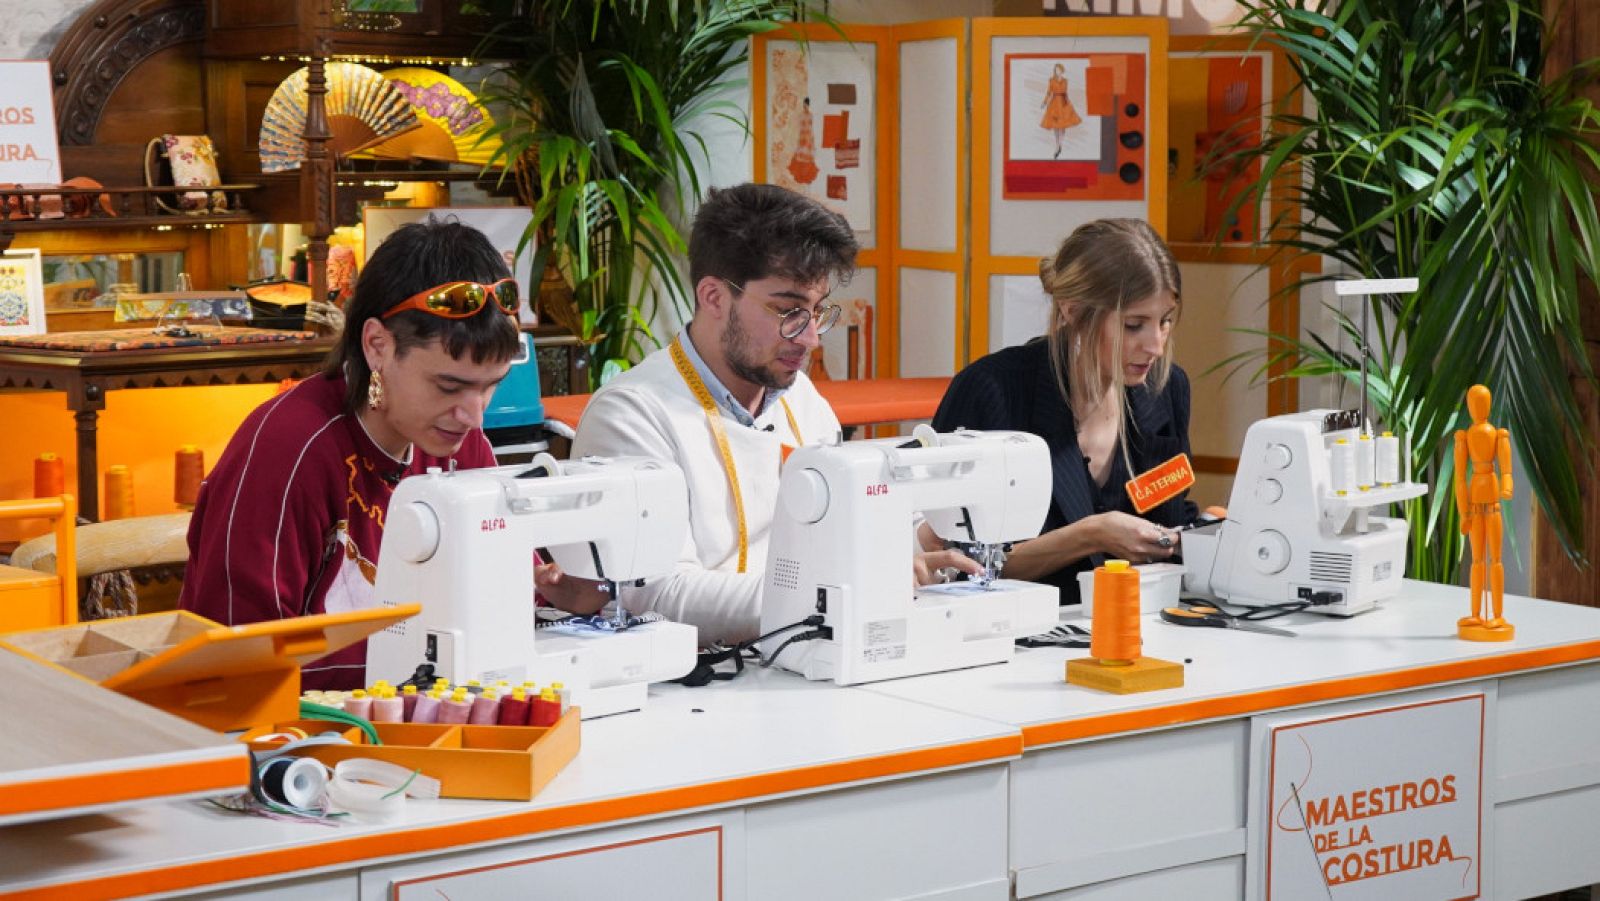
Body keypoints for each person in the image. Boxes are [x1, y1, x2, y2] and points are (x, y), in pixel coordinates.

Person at [547, 183, 978, 644]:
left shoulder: (801, 400)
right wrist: (838, 592)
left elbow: (849, 527)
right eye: (789, 311)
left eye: (817, 311)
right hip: (696, 671)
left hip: (795, 647)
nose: (810, 338)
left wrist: (925, 538)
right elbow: (654, 594)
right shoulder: (632, 414)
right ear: (714, 297)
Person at [179, 220, 523, 689]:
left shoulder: (460, 446)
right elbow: (240, 659)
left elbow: (509, 592)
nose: (474, 415)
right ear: (378, 345)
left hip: (408, 711)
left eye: (490, 387)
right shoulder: (289, 451)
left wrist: (564, 591)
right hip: (293, 723)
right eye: (449, 386)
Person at [931, 218, 1197, 605]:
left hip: (1144, 620)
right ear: (1072, 311)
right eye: (1134, 325)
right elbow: (952, 562)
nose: (1155, 345)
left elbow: (1174, 511)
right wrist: (1090, 535)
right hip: (1017, 629)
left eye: (1165, 321)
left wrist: (1205, 533)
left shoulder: (1167, 388)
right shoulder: (993, 390)